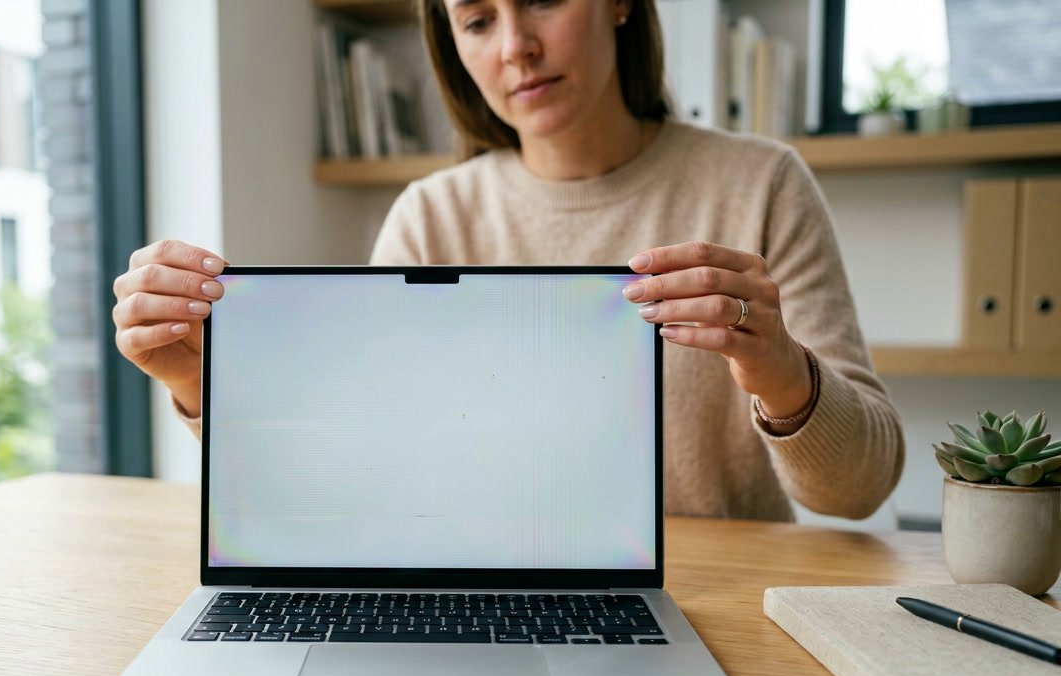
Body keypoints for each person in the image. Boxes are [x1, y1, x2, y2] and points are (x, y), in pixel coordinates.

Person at [111, 0, 904, 522]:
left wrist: (782, 375)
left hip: (722, 616)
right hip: (487, 607)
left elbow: (861, 489)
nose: (517, 47)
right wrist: (199, 382)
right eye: (478, 19)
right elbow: (359, 484)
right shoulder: (430, 217)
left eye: (544, 1)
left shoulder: (761, 183)